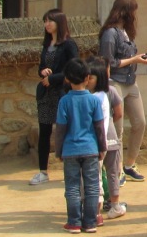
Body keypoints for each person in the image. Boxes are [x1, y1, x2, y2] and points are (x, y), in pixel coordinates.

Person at [98, 0, 147, 182]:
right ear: (126, 12)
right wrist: (134, 60)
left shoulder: (125, 32)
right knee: (118, 129)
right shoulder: (110, 33)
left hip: (130, 81)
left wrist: (140, 59)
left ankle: (129, 164)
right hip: (115, 82)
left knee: (140, 122)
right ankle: (117, 170)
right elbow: (109, 62)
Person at [54, 58, 107, 233]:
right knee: (92, 187)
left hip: (70, 150)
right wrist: (102, 148)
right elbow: (99, 128)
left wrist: (58, 150)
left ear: (67, 79)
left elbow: (60, 129)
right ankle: (90, 222)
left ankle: (74, 222)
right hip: (91, 149)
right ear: (87, 78)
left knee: (72, 187)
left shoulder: (64, 102)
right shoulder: (94, 101)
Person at [30, 9, 80, 185]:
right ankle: (43, 171)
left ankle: (71, 170)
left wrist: (53, 78)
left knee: (65, 131)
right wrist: (42, 72)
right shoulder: (46, 44)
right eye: (45, 21)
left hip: (62, 94)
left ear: (59, 22)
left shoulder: (68, 45)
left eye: (50, 21)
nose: (47, 24)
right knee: (44, 132)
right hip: (46, 95)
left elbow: (74, 68)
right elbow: (41, 67)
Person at [87, 57, 126, 221]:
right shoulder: (93, 94)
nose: (88, 80)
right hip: (102, 140)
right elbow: (117, 114)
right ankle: (101, 207)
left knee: (111, 173)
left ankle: (112, 205)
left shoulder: (108, 92)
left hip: (105, 140)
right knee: (100, 174)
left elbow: (119, 113)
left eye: (91, 77)